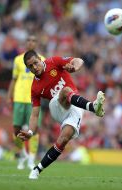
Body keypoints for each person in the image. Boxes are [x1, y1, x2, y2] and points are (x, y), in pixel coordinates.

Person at [17, 50, 105, 179]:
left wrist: (74, 67)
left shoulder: (54, 61)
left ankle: (37, 169)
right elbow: (35, 114)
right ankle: (93, 107)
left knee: (63, 140)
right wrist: (30, 132)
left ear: (40, 59)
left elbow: (79, 60)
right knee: (65, 91)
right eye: (30, 66)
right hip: (57, 108)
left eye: (35, 63)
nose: (34, 68)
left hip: (75, 106)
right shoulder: (35, 88)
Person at [7, 35, 45, 170]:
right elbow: (14, 79)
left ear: (36, 43)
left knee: (34, 129)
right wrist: (8, 96)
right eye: (28, 40)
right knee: (16, 128)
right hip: (18, 98)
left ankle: (31, 158)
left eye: (34, 40)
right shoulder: (18, 60)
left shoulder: (42, 60)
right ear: (26, 43)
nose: (31, 42)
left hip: (34, 99)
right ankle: (22, 154)